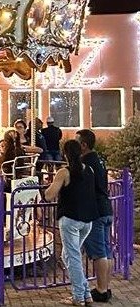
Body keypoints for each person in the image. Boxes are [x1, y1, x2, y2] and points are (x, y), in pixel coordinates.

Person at [45, 139, 98, 306]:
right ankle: (86, 293)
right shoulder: (89, 170)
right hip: (87, 221)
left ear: (65, 154)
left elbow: (49, 195)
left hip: (70, 219)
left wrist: (49, 186)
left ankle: (78, 296)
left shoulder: (64, 172)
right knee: (68, 255)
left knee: (73, 257)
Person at [77, 129, 114, 303]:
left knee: (99, 253)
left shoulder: (85, 163)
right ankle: (105, 286)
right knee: (106, 250)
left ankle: (101, 289)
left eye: (77, 142)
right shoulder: (98, 159)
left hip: (96, 212)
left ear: (84, 145)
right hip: (105, 208)